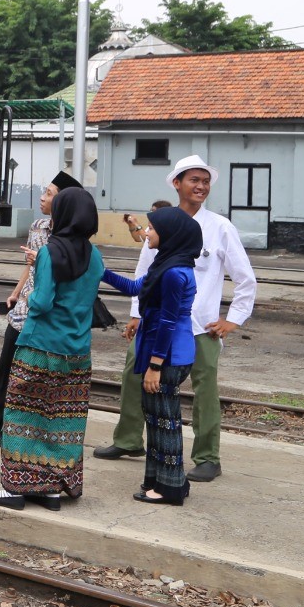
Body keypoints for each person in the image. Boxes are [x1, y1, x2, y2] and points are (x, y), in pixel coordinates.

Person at [93, 155, 256, 482]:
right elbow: (144, 274)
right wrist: (137, 314)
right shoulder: (162, 222)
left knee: (204, 388)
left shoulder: (221, 228)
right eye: (194, 180)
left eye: (206, 181)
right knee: (132, 375)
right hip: (155, 322)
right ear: (177, 184)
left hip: (201, 327)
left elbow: (246, 279)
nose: (201, 186)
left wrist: (232, 320)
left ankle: (208, 457)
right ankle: (128, 440)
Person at [0, 187, 104, 510]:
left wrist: (30, 295)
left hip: (39, 345)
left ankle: (15, 488)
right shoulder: (96, 256)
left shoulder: (49, 251)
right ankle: (49, 488)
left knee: (22, 414)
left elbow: (43, 301)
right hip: (77, 350)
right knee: (59, 419)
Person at [0, 171, 80, 447]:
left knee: (33, 382)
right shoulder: (38, 226)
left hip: (46, 317)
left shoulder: (72, 236)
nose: (42, 197)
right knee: (4, 374)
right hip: (23, 313)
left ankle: (26, 434)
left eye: (49, 193)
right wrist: (15, 294)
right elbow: (29, 267)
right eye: (45, 191)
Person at [100, 207, 201, 505]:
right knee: (156, 418)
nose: (146, 233)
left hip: (168, 355)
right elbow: (134, 287)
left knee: (165, 420)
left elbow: (168, 322)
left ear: (169, 234)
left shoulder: (172, 273)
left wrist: (155, 365)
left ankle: (170, 487)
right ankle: (161, 480)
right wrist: (101, 272)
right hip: (166, 351)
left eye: (152, 229)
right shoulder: (166, 264)